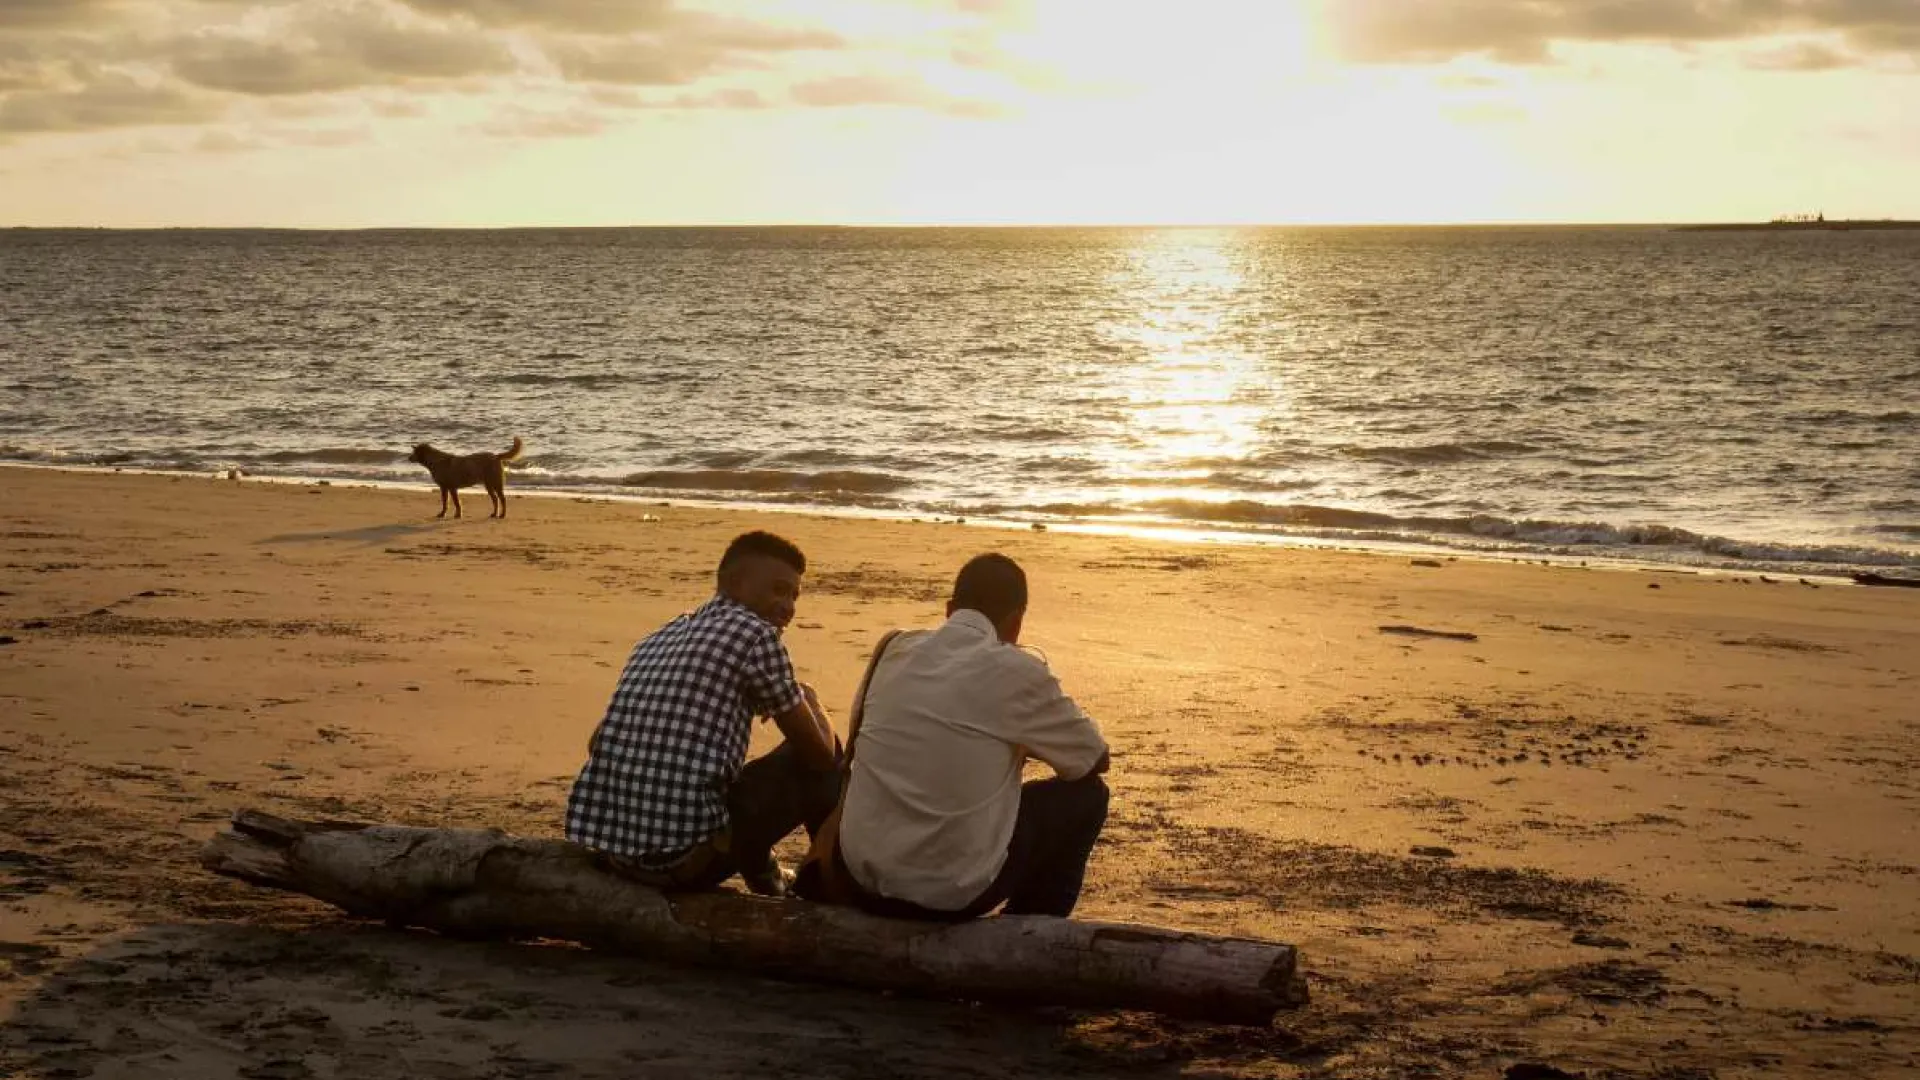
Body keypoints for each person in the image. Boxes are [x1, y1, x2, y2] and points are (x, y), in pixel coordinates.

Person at [825, 552, 1110, 919]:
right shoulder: (1017, 670)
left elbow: (861, 742)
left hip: (859, 877)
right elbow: (1094, 759)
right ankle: (1031, 926)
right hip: (950, 894)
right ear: (1016, 622)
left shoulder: (892, 647)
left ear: (949, 610)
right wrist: (1024, 743)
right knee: (1088, 797)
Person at [565, 530, 840, 896]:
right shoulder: (756, 635)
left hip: (618, 856)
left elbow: (598, 740)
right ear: (733, 583)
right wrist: (812, 700)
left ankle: (768, 875)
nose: (788, 605)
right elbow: (819, 756)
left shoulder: (662, 635)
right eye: (777, 589)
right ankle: (825, 881)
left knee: (730, 778)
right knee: (822, 756)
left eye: (794, 595)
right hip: (682, 862)